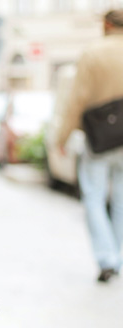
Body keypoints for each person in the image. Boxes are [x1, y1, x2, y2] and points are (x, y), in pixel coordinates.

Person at [57, 9, 123, 283]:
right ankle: (118, 257)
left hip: (100, 138)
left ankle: (106, 257)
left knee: (94, 198)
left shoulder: (93, 53)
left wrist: (62, 137)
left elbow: (77, 100)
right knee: (121, 201)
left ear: (106, 25)